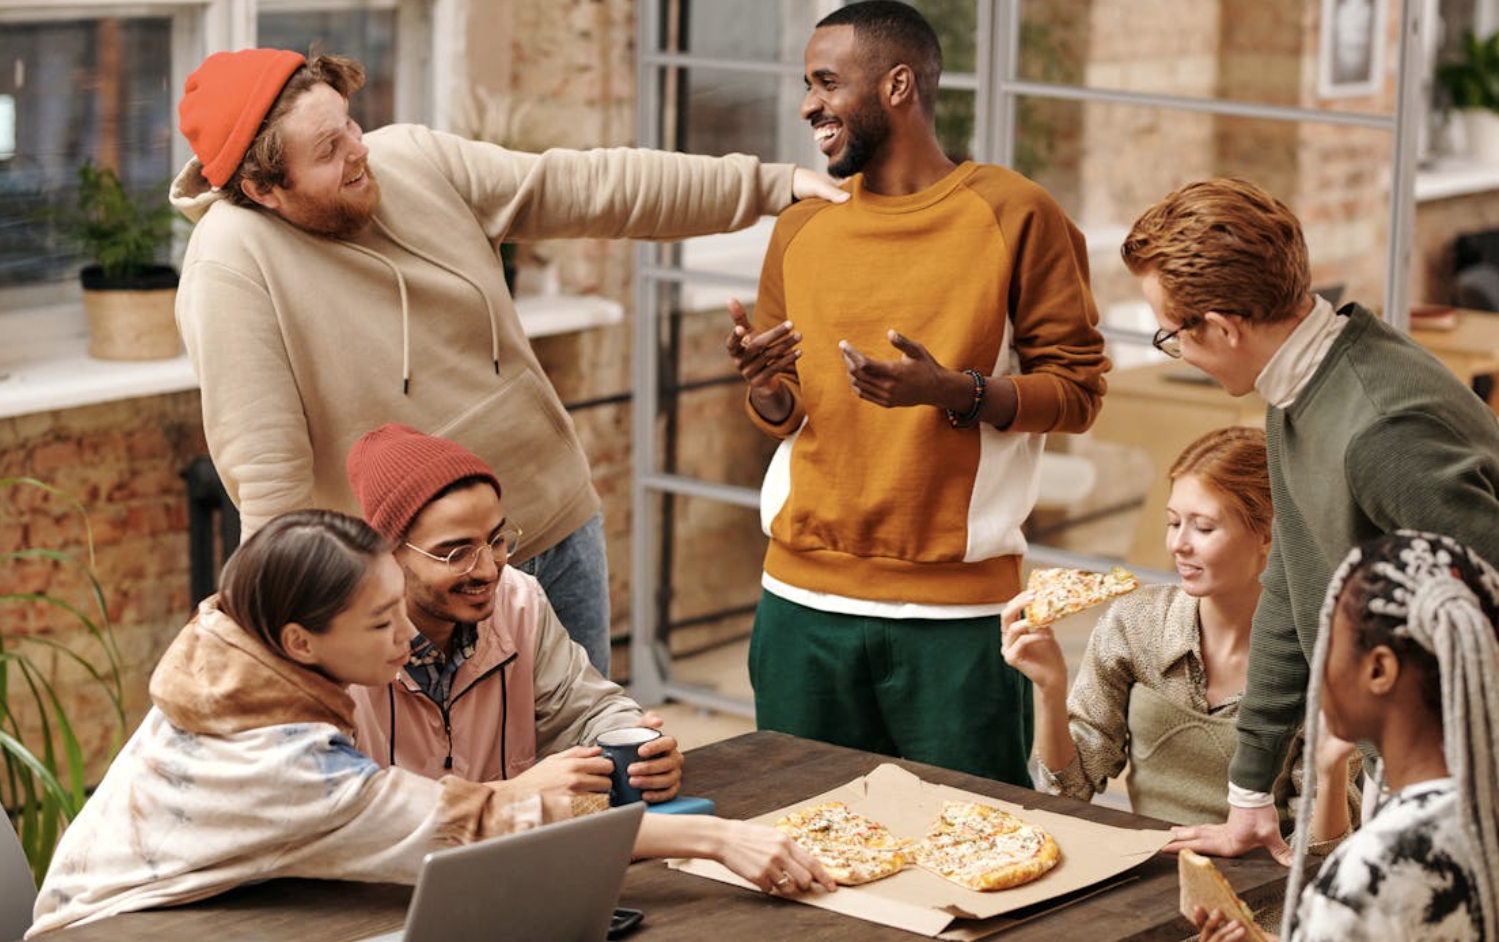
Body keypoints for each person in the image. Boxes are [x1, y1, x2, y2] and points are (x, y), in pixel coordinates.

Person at [170, 48, 848, 677]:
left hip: (553, 518)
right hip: (418, 587)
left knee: (590, 761)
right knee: (467, 790)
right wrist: (292, 641)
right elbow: (268, 479)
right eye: (327, 150)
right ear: (264, 190)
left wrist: (769, 184)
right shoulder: (232, 267)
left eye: (350, 126)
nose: (358, 153)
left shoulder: (409, 157)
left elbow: (584, 186)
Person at [28, 510, 832, 936]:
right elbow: (483, 823)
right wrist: (718, 839)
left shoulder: (234, 661)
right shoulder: (283, 763)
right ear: (300, 640)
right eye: (380, 624)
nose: (406, 638)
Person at [724, 0, 1108, 785]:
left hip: (956, 620)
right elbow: (786, 412)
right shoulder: (800, 227)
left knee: (970, 854)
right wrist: (765, 388)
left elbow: (1077, 390)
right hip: (800, 603)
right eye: (807, 84)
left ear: (897, 85)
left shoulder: (1015, 214)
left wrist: (957, 392)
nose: (808, 105)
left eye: (826, 82)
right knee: (805, 844)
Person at [1120, 177, 1499, 861]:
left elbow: (1486, 622)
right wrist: (1248, 795)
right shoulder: (1294, 387)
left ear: (1224, 328)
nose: (1174, 351)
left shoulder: (1381, 432)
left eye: (1170, 334)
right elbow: (1293, 589)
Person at [1001, 427, 1358, 847]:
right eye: (1173, 522)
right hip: (1144, 870)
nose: (1178, 545)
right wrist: (1049, 686)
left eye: (1203, 528)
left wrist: (1332, 773)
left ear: (1269, 536)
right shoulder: (1134, 623)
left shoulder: (1320, 657)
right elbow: (1069, 790)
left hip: (1263, 889)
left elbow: (1316, 858)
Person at [1192, 531, 1499, 942]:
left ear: (1379, 670)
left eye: (1327, 642)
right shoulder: (1476, 811)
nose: (1316, 666)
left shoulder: (1374, 869)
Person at [342, 423, 672, 803]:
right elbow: (343, 813)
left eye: (496, 540)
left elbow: (585, 710)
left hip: (518, 855)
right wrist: (510, 794)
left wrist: (642, 751)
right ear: (389, 554)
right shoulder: (337, 647)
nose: (487, 570)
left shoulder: (520, 600)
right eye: (456, 553)